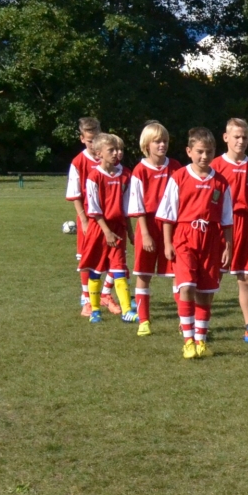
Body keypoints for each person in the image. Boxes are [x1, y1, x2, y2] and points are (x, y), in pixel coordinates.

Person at [156, 127, 235, 359]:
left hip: (210, 239)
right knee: (187, 286)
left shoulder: (221, 182)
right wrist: (168, 243)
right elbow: (168, 214)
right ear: (189, 151)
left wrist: (228, 245)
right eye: (200, 151)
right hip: (185, 237)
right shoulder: (179, 177)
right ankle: (188, 341)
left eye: (209, 152)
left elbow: (227, 219)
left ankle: (201, 340)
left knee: (205, 292)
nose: (204, 156)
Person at [212, 118, 248, 345]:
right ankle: (195, 323)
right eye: (236, 136)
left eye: (244, 137)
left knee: (246, 279)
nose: (241, 141)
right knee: (211, 277)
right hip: (220, 227)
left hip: (246, 226)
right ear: (226, 137)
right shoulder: (215, 166)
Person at [125, 121, 178, 334]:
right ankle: (144, 320)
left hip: (171, 227)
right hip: (147, 225)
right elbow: (137, 204)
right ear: (146, 144)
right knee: (143, 274)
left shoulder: (176, 167)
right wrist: (145, 234)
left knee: (178, 274)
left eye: (164, 141)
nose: (162, 145)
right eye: (157, 141)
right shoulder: (139, 170)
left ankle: (185, 322)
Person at [81, 135, 131, 323]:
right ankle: (95, 310)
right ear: (99, 153)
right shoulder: (94, 177)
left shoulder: (125, 176)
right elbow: (93, 209)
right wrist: (106, 232)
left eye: (118, 150)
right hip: (99, 229)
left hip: (118, 228)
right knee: (96, 269)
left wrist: (130, 231)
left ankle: (127, 311)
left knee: (119, 268)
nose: (117, 153)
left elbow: (126, 207)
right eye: (111, 150)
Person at [64, 117, 104, 317]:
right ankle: (86, 299)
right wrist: (84, 220)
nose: (94, 144)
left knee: (111, 256)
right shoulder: (78, 162)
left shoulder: (108, 158)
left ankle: (105, 294)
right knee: (86, 257)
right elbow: (75, 195)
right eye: (90, 141)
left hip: (107, 217)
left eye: (97, 139)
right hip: (88, 217)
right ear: (82, 139)